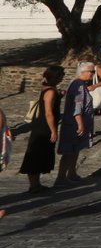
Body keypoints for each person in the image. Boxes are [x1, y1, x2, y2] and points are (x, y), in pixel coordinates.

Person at [20, 65, 64, 194]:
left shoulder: (50, 89)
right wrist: (53, 130)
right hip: (43, 127)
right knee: (36, 155)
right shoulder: (50, 91)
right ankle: (34, 186)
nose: (62, 78)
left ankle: (37, 185)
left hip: (44, 126)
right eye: (61, 75)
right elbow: (48, 113)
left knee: (41, 155)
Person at [56, 62, 98, 184]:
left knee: (75, 149)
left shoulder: (81, 84)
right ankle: (61, 177)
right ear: (83, 72)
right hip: (73, 124)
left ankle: (72, 173)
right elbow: (77, 106)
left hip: (77, 122)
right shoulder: (78, 85)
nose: (93, 74)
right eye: (91, 72)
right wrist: (80, 123)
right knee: (69, 150)